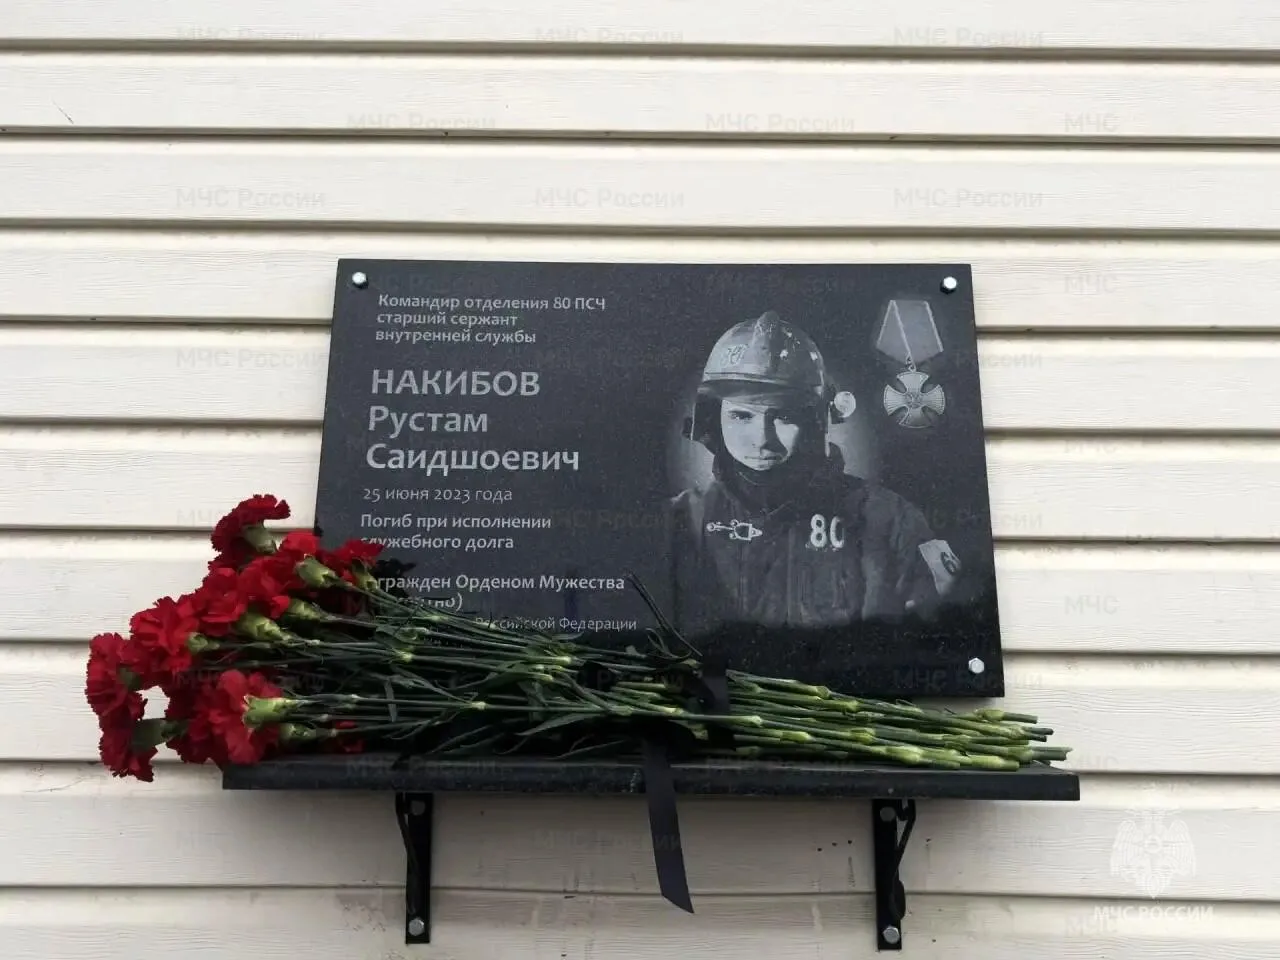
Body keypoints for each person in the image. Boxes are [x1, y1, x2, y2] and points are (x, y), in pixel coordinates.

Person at [667, 310, 962, 634]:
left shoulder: (892, 523)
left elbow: (935, 642)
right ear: (712, 420)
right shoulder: (680, 521)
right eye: (741, 416)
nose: (761, 440)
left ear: (814, 422)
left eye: (784, 416)